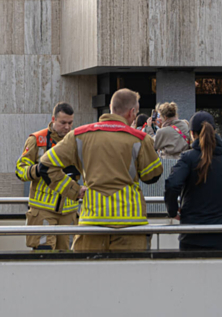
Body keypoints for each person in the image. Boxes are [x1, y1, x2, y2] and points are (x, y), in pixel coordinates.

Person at [39, 89, 163, 252]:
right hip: (130, 223)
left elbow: (45, 165)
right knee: (130, 268)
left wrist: (74, 190)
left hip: (92, 222)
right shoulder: (139, 138)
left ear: (111, 107)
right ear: (132, 112)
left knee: (90, 268)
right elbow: (152, 175)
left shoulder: (79, 135)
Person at [164, 111, 222, 251]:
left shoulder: (188, 158)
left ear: (192, 134)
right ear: (214, 131)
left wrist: (172, 211)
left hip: (191, 236)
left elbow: (172, 184)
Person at [15, 102, 79, 250]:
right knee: (44, 255)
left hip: (68, 211)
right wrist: (38, 170)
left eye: (70, 123)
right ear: (53, 119)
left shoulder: (76, 141)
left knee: (69, 256)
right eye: (63, 122)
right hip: (43, 211)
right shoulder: (37, 140)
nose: (67, 127)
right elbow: (20, 170)